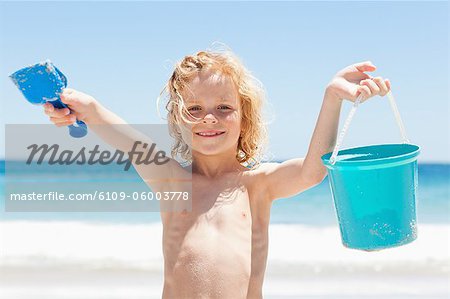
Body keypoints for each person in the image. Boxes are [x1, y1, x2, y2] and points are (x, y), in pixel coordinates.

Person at [43, 49, 390, 298]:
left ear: (245, 118)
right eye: (195, 108)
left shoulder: (257, 185)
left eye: (223, 108)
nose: (209, 118)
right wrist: (85, 108)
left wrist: (332, 97)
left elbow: (314, 170)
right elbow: (126, 137)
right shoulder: (172, 181)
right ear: (179, 119)